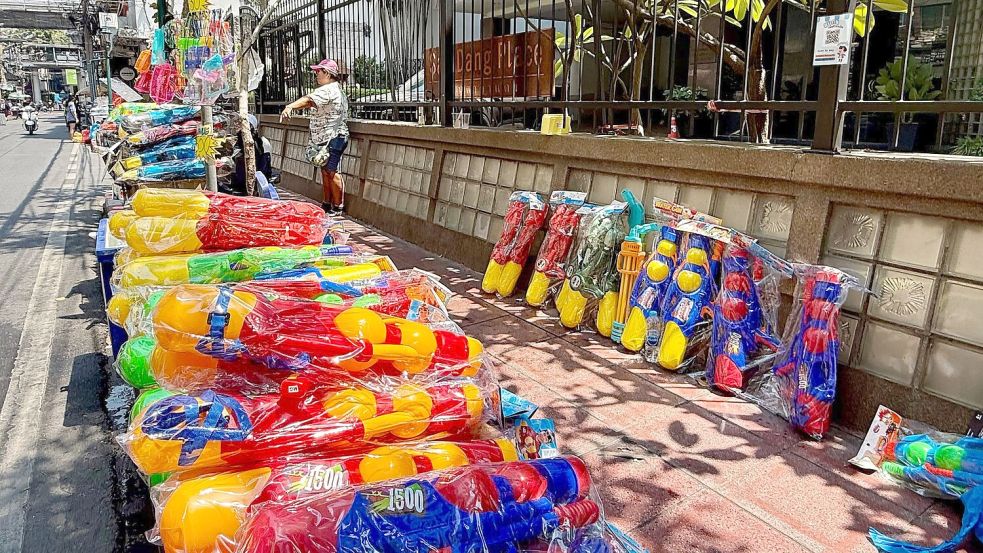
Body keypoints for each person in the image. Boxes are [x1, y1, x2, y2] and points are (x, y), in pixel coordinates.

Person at [279, 59, 350, 214]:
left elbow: (309, 101)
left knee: (332, 171)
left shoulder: (329, 89)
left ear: (328, 74)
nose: (316, 74)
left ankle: (338, 206)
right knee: (325, 171)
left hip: (334, 137)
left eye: (319, 71)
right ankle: (327, 203)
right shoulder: (333, 89)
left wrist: (290, 106)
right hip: (328, 137)